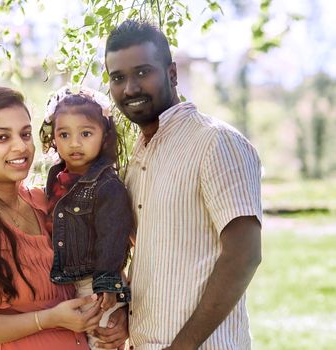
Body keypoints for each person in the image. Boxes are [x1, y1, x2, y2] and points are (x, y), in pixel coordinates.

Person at [0, 84, 127, 350]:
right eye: (2, 138)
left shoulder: (45, 202)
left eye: (25, 134)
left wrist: (119, 316)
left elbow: (94, 265)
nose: (21, 146)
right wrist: (49, 319)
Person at [103, 20, 262, 350]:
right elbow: (152, 257)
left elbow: (244, 255)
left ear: (172, 74)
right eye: (118, 78)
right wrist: (125, 317)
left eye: (142, 72)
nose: (129, 88)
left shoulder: (216, 142)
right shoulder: (139, 156)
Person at [39, 86, 134, 350]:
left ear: (104, 136)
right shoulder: (56, 177)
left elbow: (112, 237)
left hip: (96, 285)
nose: (74, 143)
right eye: (64, 134)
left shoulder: (107, 185)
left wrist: (107, 282)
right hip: (65, 281)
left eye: (86, 133)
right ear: (53, 138)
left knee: (101, 342)